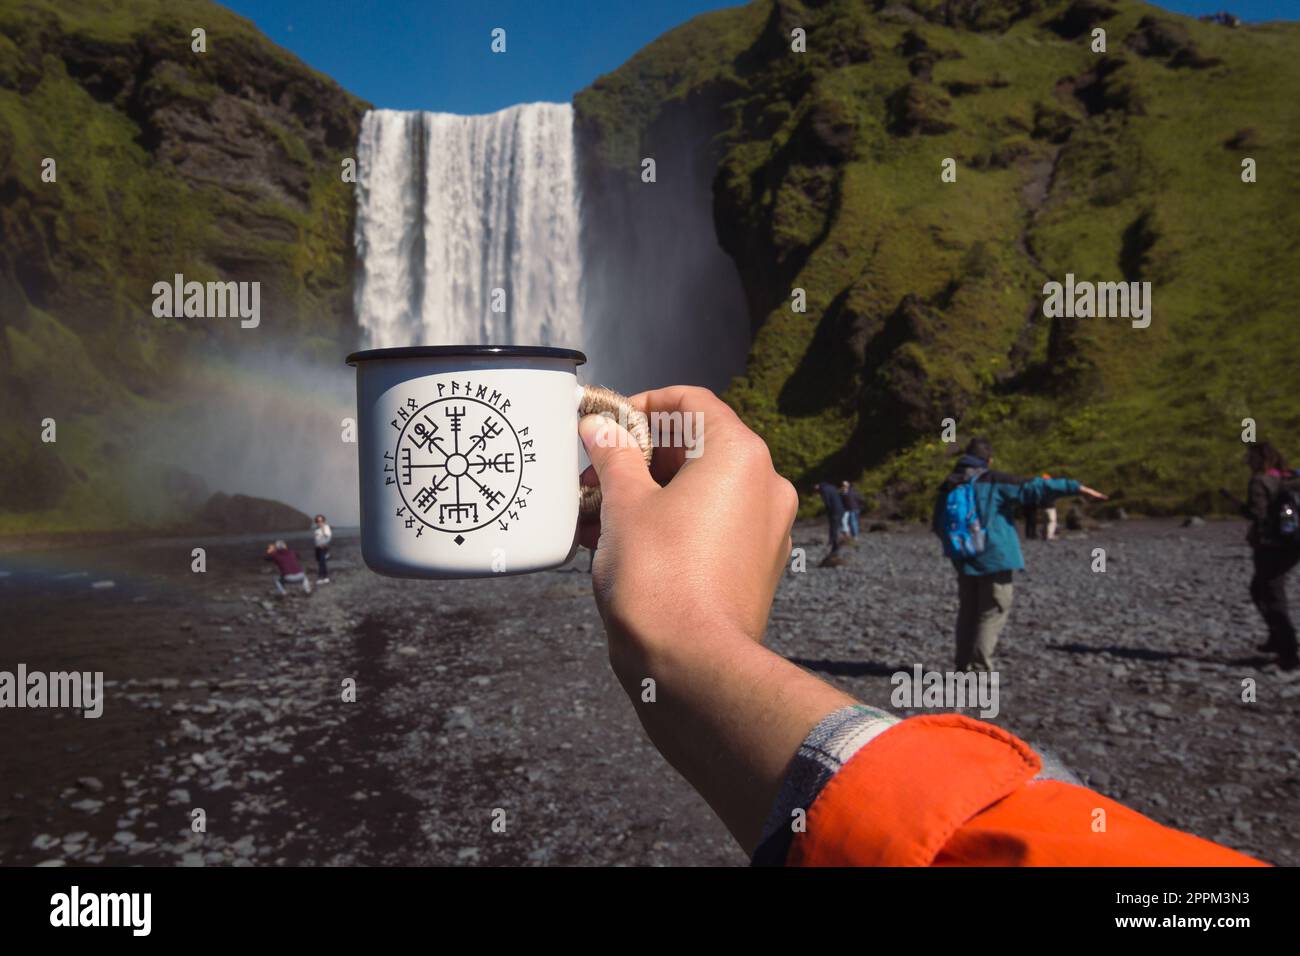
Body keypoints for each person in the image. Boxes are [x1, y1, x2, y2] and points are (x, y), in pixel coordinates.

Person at [576, 387, 1259, 866]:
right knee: (991, 614)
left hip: (962, 562)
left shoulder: (949, 491)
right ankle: (980, 683)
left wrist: (686, 644)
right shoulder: (994, 485)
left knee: (972, 612)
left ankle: (970, 673)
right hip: (996, 561)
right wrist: (689, 641)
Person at [934, 438, 1108, 671]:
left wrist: (957, 548)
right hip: (994, 556)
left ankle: (962, 666)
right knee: (992, 610)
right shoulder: (994, 480)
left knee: (968, 612)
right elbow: (1036, 487)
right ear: (989, 460)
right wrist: (1075, 487)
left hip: (963, 557)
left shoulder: (949, 485)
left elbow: (938, 523)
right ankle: (978, 670)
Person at [1238, 442, 1300, 670]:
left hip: (1271, 545)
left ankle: (1288, 652)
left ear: (1260, 459)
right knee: (1267, 589)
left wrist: (1243, 510)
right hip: (1293, 543)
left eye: (1250, 457)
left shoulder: (1259, 480)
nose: (1247, 461)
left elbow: (1258, 513)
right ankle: (1278, 640)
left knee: (1268, 593)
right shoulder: (1288, 477)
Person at [813, 481, 845, 558]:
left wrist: (828, 511)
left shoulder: (824, 490)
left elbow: (827, 502)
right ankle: (833, 542)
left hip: (834, 510)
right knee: (836, 527)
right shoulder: (831, 487)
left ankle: (835, 546)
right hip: (840, 508)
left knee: (834, 528)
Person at [313, 514, 333, 583]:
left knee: (322, 562)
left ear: (323, 521)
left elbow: (328, 538)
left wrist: (323, 529)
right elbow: (316, 539)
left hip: (324, 548)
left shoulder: (326, 527)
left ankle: (322, 577)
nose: (319, 522)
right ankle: (324, 577)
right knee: (320, 562)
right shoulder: (316, 530)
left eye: (321, 521)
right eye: (318, 521)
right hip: (317, 548)